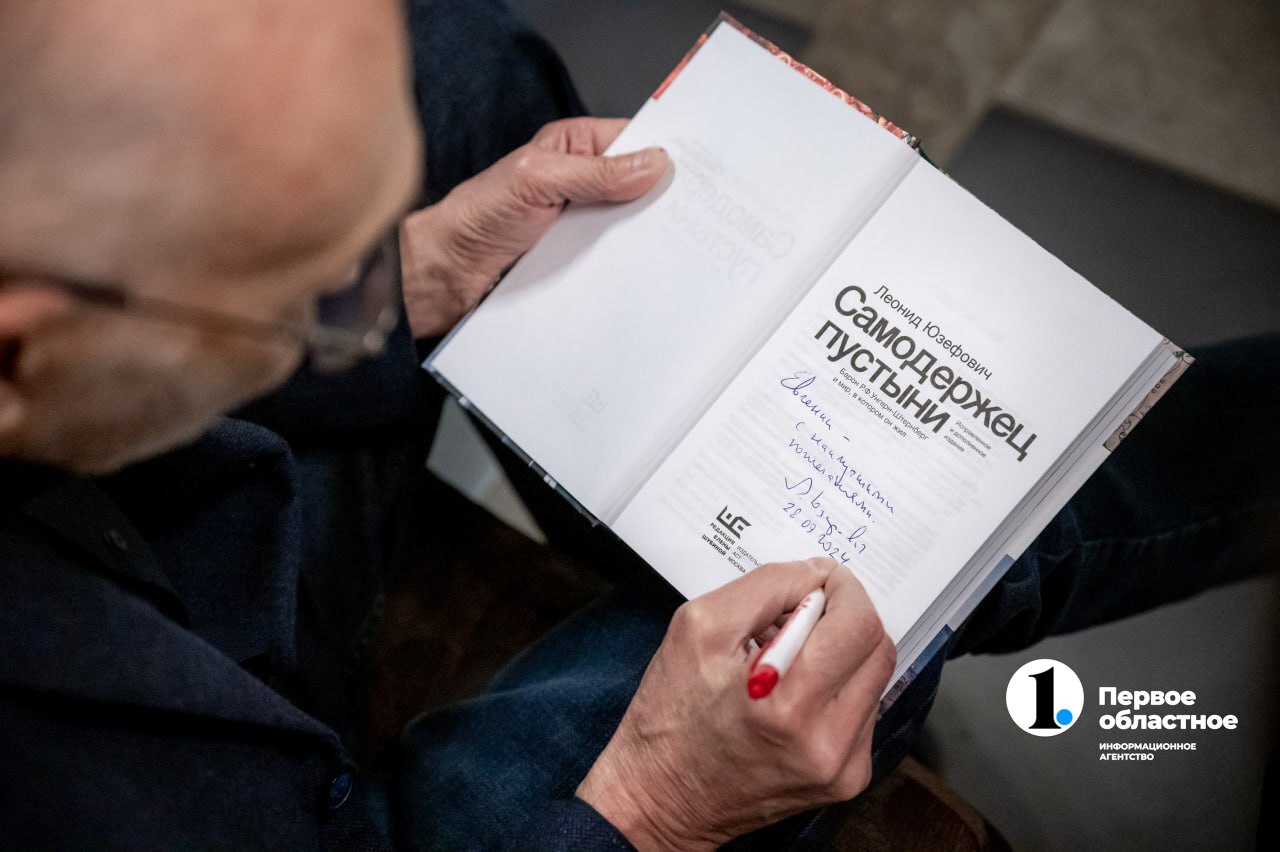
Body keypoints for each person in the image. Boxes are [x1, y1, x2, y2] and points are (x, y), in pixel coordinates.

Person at [1, 1, 1276, 849]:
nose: (364, 290)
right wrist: (652, 806)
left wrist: (409, 271)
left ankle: (667, 505)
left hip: (122, 494)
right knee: (886, 578)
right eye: (316, 296)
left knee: (455, 65)